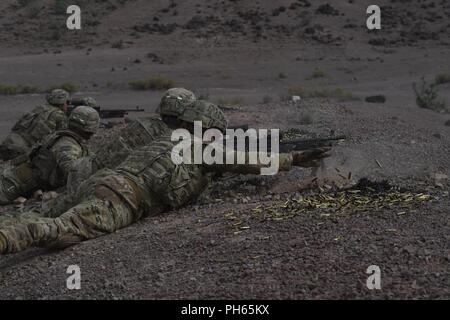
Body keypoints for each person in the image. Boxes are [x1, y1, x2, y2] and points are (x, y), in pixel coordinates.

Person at [0, 102, 330, 254]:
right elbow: (252, 163)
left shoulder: (163, 138)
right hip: (121, 198)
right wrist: (295, 158)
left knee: (42, 211)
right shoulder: (202, 149)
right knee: (58, 232)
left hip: (101, 182)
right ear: (210, 131)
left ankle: (10, 227)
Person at [0, 106, 100, 205]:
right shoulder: (67, 145)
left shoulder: (64, 137)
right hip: (12, 185)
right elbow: (73, 175)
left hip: (18, 182)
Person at [0, 89, 70, 161]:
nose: (67, 105)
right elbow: (62, 138)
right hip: (22, 151)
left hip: (9, 142)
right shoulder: (59, 115)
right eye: (67, 102)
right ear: (62, 104)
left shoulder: (39, 108)